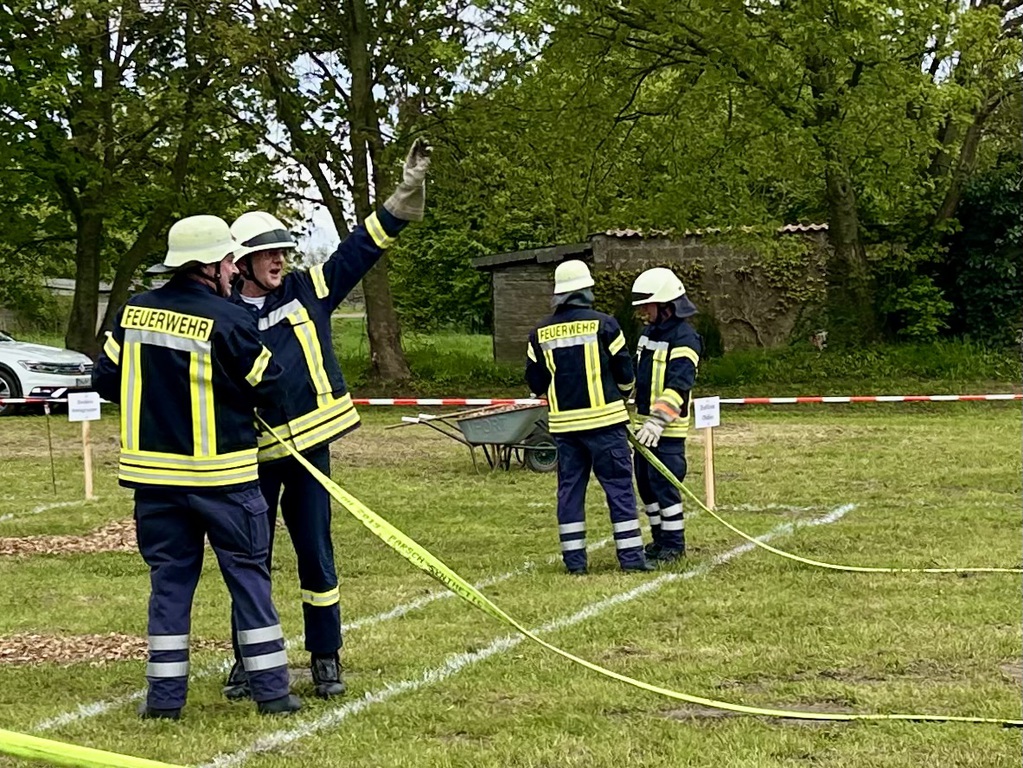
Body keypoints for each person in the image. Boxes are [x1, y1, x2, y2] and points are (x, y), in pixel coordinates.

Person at [221, 139, 431, 700]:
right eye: (266, 253)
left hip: (310, 453)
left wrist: (403, 196)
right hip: (250, 456)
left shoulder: (308, 289)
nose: (278, 260)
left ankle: (325, 657)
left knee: (315, 554)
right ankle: (250, 659)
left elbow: (360, 249)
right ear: (240, 262)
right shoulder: (222, 313)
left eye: (282, 251)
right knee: (251, 562)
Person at [92, 215, 300, 719]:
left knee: (169, 584)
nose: (234, 270)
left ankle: (164, 702)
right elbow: (271, 385)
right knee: (248, 579)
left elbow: (105, 380)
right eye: (230, 261)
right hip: (223, 479)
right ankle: (272, 693)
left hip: (153, 481)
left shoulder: (133, 312)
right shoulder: (228, 318)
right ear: (212, 265)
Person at [525, 260, 655, 575]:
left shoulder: (539, 333)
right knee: (619, 489)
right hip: (605, 424)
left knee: (570, 491)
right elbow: (625, 372)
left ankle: (574, 563)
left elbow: (535, 382)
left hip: (564, 428)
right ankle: (632, 560)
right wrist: (623, 395)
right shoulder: (605, 325)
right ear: (585, 291)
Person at [631, 267, 702, 563]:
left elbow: (679, 384)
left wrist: (658, 421)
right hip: (643, 430)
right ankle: (659, 540)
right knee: (646, 488)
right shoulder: (648, 335)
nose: (643, 312)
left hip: (667, 432)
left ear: (666, 305)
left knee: (665, 490)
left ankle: (674, 545)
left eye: (647, 306)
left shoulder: (686, 339)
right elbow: (637, 377)